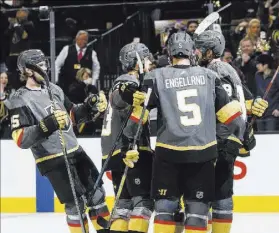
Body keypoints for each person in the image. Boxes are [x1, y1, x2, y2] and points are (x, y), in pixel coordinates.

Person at [123, 32, 243, 233]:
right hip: (203, 153)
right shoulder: (210, 76)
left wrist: (130, 143)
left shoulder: (156, 76)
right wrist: (222, 139)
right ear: (191, 51)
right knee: (197, 211)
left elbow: (137, 119)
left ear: (170, 53)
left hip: (168, 154)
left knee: (165, 209)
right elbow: (232, 119)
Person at [6, 49, 109, 233]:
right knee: (75, 205)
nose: (45, 67)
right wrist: (48, 125)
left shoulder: (54, 89)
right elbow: (21, 138)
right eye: (40, 64)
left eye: (45, 63)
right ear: (28, 70)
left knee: (97, 196)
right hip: (51, 158)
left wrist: (88, 107)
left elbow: (72, 115)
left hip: (75, 150)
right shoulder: (19, 99)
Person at [194, 29, 268, 233]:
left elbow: (219, 105)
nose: (195, 53)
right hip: (232, 141)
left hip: (215, 141)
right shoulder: (230, 70)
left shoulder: (211, 72)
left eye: (200, 49)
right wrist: (256, 105)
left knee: (202, 196)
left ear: (210, 52)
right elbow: (245, 100)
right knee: (223, 194)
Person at [100, 42, 154, 233]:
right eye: (147, 59)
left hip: (113, 151)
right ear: (136, 61)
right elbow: (120, 98)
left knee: (123, 205)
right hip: (129, 150)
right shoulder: (129, 81)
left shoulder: (122, 80)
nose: (150, 63)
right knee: (143, 202)